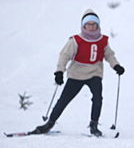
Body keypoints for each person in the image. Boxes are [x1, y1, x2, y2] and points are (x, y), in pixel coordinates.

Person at [31, 9, 125, 137]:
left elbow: (109, 55)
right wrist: (60, 71)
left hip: (94, 73)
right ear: (83, 26)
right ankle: (49, 123)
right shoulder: (75, 40)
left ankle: (94, 125)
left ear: (98, 25)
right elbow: (64, 56)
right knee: (64, 100)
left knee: (98, 98)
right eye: (88, 24)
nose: (91, 27)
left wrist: (116, 66)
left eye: (94, 25)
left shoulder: (102, 40)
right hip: (76, 74)